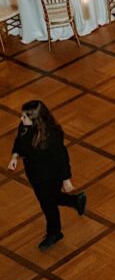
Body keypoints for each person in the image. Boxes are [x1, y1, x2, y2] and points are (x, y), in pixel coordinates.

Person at [7, 100, 86, 251]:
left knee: (47, 204)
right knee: (49, 198)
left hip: (50, 176)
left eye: (24, 117)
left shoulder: (52, 135)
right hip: (35, 174)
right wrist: (14, 157)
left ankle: (54, 233)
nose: (21, 119)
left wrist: (66, 180)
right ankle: (75, 201)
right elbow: (19, 141)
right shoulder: (24, 127)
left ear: (36, 120)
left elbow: (61, 158)